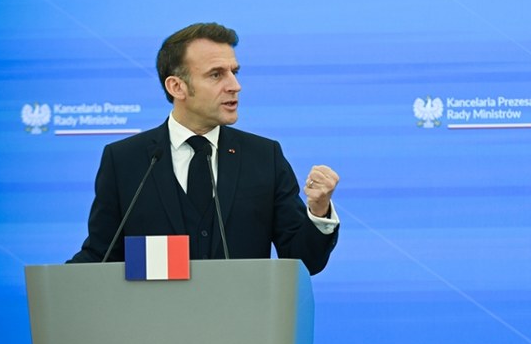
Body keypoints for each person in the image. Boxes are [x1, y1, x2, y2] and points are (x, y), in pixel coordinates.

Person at [69, 22, 339, 274]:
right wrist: (52, 287)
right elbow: (101, 256)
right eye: (216, 75)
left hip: (243, 322)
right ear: (177, 86)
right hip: (154, 321)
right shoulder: (126, 160)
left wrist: (318, 211)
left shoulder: (264, 157)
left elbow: (305, 261)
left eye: (234, 72)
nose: (235, 86)